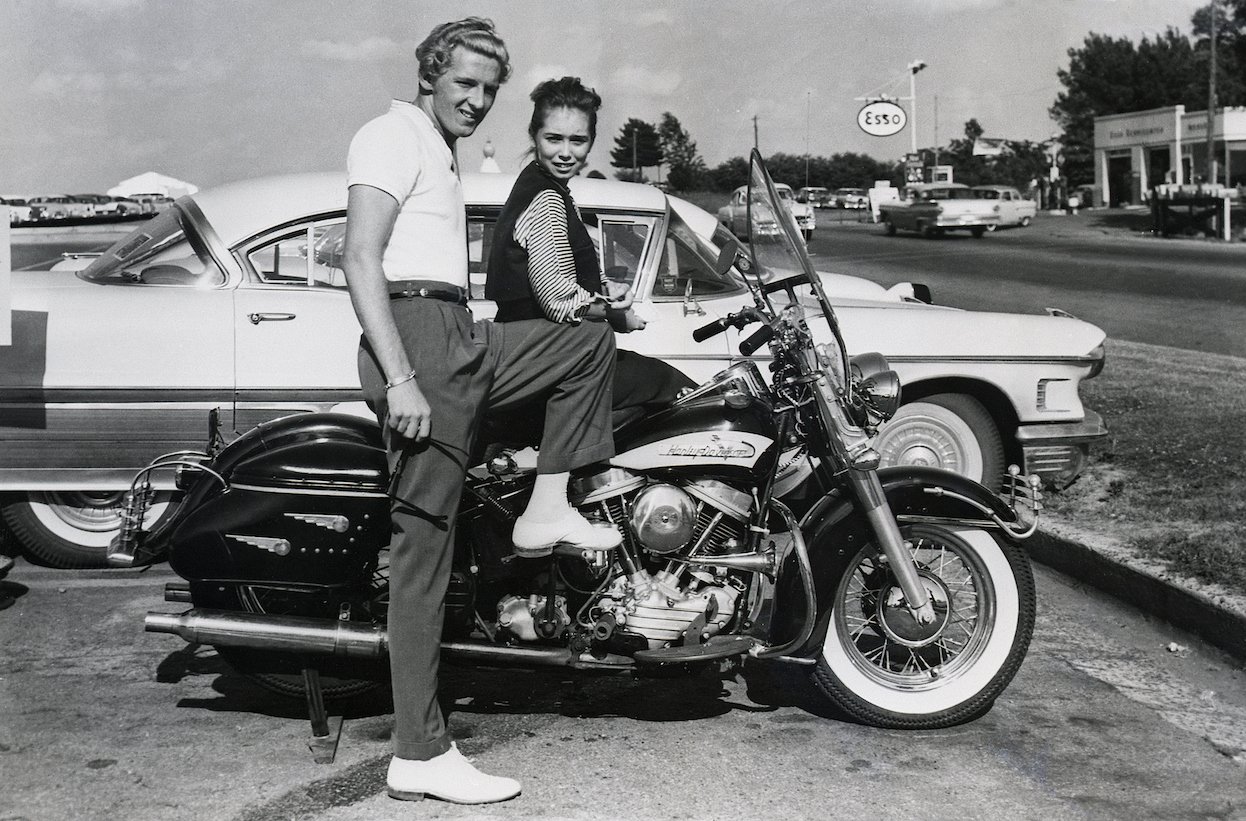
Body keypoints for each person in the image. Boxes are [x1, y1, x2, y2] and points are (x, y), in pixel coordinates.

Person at [342, 19, 621, 805]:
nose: (477, 100)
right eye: (464, 82)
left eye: (489, 89)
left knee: (587, 342)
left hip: (460, 333)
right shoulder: (391, 135)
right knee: (425, 551)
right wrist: (401, 378)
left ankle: (548, 505)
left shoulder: (437, 145)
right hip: (419, 341)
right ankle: (419, 752)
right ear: (430, 72)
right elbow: (360, 258)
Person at [486, 76, 695, 421]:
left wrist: (602, 289)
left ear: (591, 142)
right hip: (544, 359)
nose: (566, 152)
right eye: (554, 138)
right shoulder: (547, 199)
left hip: (531, 353)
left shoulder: (542, 186)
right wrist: (617, 315)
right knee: (668, 385)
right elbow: (557, 299)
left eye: (577, 140)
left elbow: (554, 271)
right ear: (534, 136)